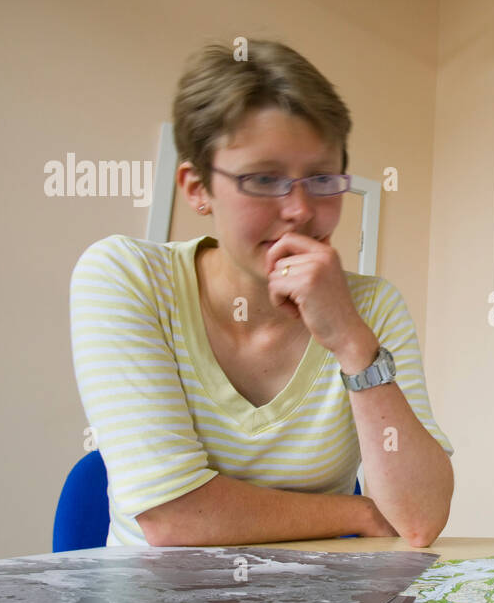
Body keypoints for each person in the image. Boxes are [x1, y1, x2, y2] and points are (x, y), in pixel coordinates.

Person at [70, 40, 453, 548]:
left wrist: (352, 343)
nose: (299, 209)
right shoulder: (126, 276)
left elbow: (420, 518)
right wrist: (357, 512)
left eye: (321, 179)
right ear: (197, 187)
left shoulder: (375, 306)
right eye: (264, 178)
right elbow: (173, 518)